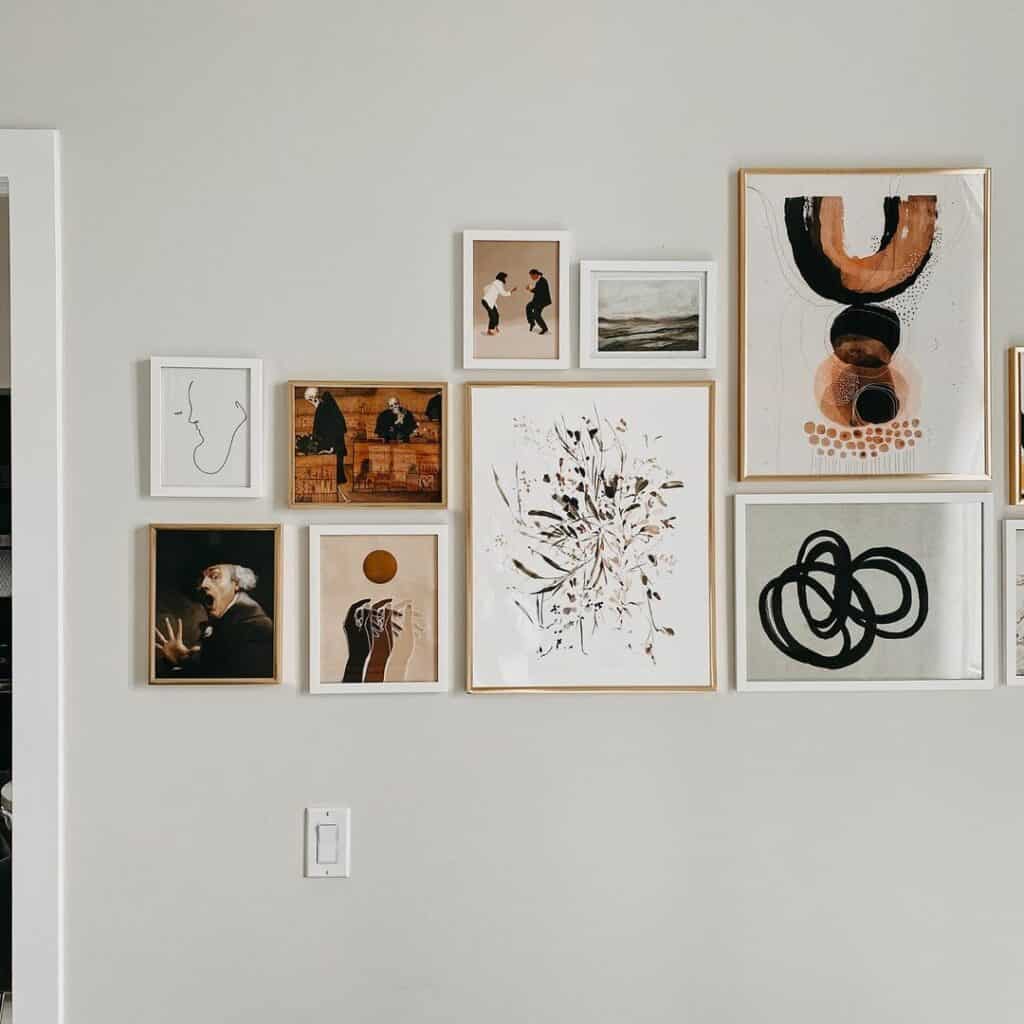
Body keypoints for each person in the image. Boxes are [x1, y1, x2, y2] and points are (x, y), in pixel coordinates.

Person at [154, 563, 274, 678]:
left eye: (215, 576)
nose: (203, 584)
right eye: (202, 578)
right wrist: (183, 657)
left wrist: (183, 663)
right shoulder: (224, 620)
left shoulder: (257, 627)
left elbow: (222, 680)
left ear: (236, 583)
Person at [304, 386, 350, 501]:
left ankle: (344, 497)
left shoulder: (324, 409)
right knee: (335, 473)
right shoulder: (325, 407)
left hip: (333, 448)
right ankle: (343, 497)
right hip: (334, 447)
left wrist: (330, 447)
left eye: (311, 400)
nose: (311, 403)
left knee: (336, 473)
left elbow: (333, 429)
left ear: (314, 398)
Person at [526, 268, 552, 335]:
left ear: (535, 274)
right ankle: (532, 323)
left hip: (542, 301)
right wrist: (530, 289)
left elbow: (538, 291)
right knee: (528, 306)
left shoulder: (543, 281)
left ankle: (544, 328)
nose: (531, 278)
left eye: (532, 276)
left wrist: (530, 289)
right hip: (537, 300)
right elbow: (537, 290)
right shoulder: (539, 280)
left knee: (536, 314)